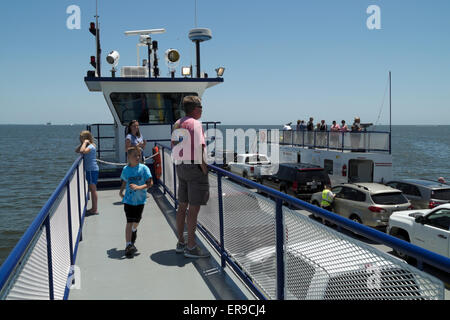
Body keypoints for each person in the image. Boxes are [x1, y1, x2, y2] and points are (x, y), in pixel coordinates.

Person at [172, 96, 210, 258]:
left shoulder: (178, 123)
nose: (202, 110)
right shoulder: (195, 124)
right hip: (194, 168)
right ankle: (192, 247)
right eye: (200, 107)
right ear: (195, 108)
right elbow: (200, 148)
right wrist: (204, 169)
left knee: (182, 206)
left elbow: (175, 145)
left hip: (180, 166)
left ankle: (181, 242)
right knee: (193, 209)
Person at [119, 147, 153, 257]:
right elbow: (124, 181)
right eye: (135, 155)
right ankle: (128, 245)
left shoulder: (144, 168)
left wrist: (139, 187)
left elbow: (150, 183)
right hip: (128, 200)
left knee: (137, 220)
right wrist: (121, 191)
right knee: (129, 221)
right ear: (129, 157)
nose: (138, 157)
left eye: (139, 155)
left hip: (140, 200)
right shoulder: (125, 169)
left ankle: (134, 229)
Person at [75, 130, 99, 215]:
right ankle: (94, 208)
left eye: (81, 138)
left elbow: (82, 151)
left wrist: (85, 143)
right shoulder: (88, 146)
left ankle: (95, 209)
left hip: (91, 170)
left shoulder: (91, 147)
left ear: (86, 138)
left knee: (93, 189)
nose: (80, 140)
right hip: (91, 170)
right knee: (92, 189)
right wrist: (83, 143)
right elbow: (77, 150)